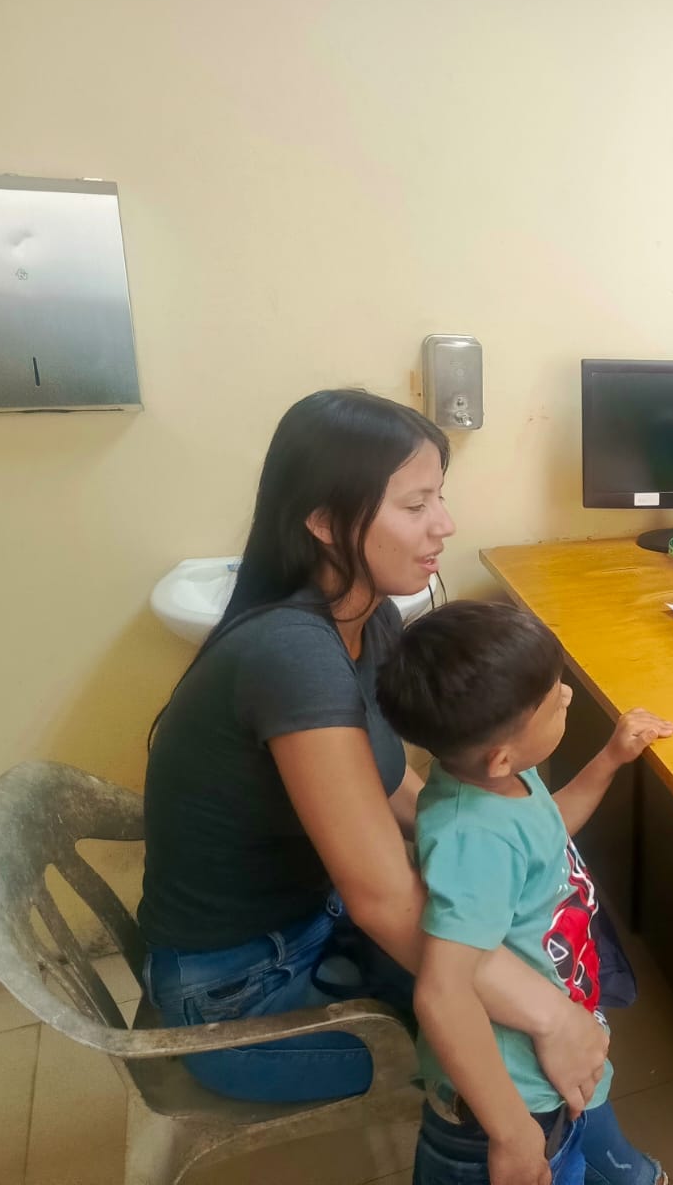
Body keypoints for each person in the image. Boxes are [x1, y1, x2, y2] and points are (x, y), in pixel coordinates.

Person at [139, 389, 609, 1134]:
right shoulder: (292, 655)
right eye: (416, 505)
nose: (444, 524)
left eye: (439, 498)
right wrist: (553, 1016)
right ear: (325, 522)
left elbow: (388, 786)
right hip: (238, 996)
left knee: (538, 959)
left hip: (312, 925)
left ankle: (607, 1155)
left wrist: (510, 869)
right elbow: (383, 900)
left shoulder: (371, 617)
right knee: (513, 1045)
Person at [376, 600, 673, 1185]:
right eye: (552, 697)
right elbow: (442, 992)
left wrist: (610, 759)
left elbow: (544, 834)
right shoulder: (472, 841)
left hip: (555, 1061)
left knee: (593, 1146)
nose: (567, 695)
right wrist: (512, 1134)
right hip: (511, 1101)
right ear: (501, 755)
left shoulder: (501, 780)